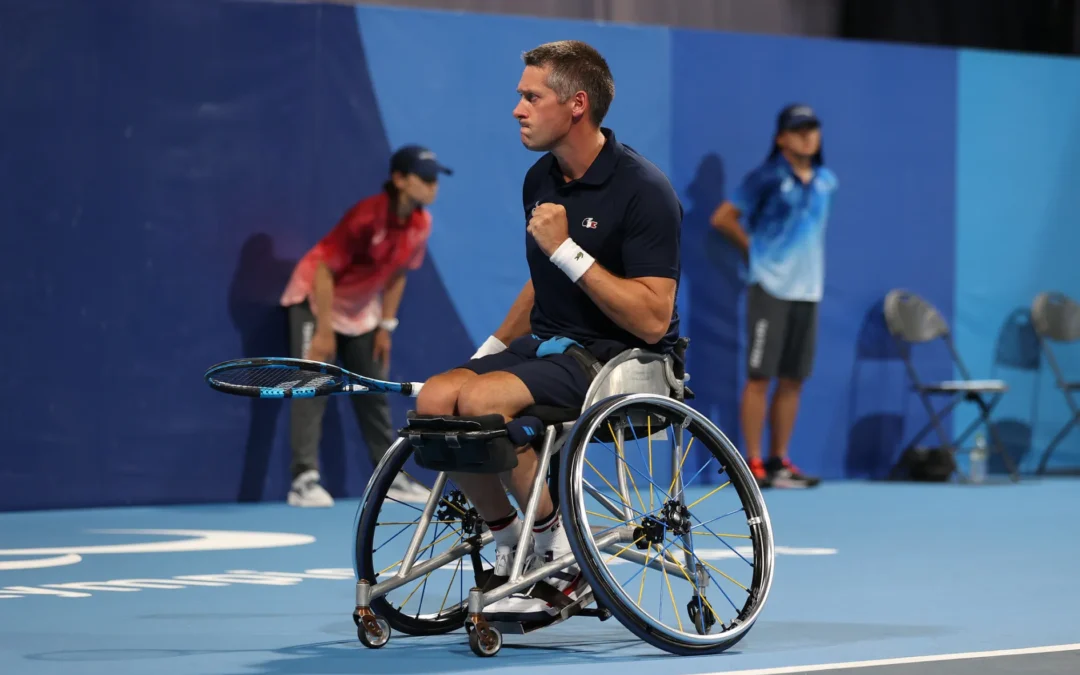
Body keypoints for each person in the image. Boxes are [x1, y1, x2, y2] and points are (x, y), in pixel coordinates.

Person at [414, 40, 682, 621]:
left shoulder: (645, 191)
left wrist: (567, 248)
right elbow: (543, 281)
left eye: (531, 96)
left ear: (576, 104)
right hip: (546, 348)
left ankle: (557, 545)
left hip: (617, 356)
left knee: (482, 405)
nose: (518, 109)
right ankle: (516, 545)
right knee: (438, 399)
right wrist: (488, 350)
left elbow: (653, 318)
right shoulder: (541, 177)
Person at [278, 145, 452, 507]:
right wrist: (324, 330)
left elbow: (398, 275)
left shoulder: (421, 224)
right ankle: (303, 480)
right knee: (311, 385)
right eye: (424, 178)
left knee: (372, 387)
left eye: (436, 178)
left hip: (360, 310)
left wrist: (385, 326)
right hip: (315, 298)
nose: (433, 186)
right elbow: (324, 271)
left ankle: (390, 479)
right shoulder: (366, 217)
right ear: (399, 179)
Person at [709, 104, 837, 489]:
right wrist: (756, 254)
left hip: (807, 291)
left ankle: (779, 460)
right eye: (798, 130)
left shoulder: (826, 181)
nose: (807, 136)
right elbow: (722, 218)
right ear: (781, 138)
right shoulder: (765, 177)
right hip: (769, 288)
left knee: (794, 378)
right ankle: (752, 463)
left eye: (813, 129)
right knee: (760, 376)